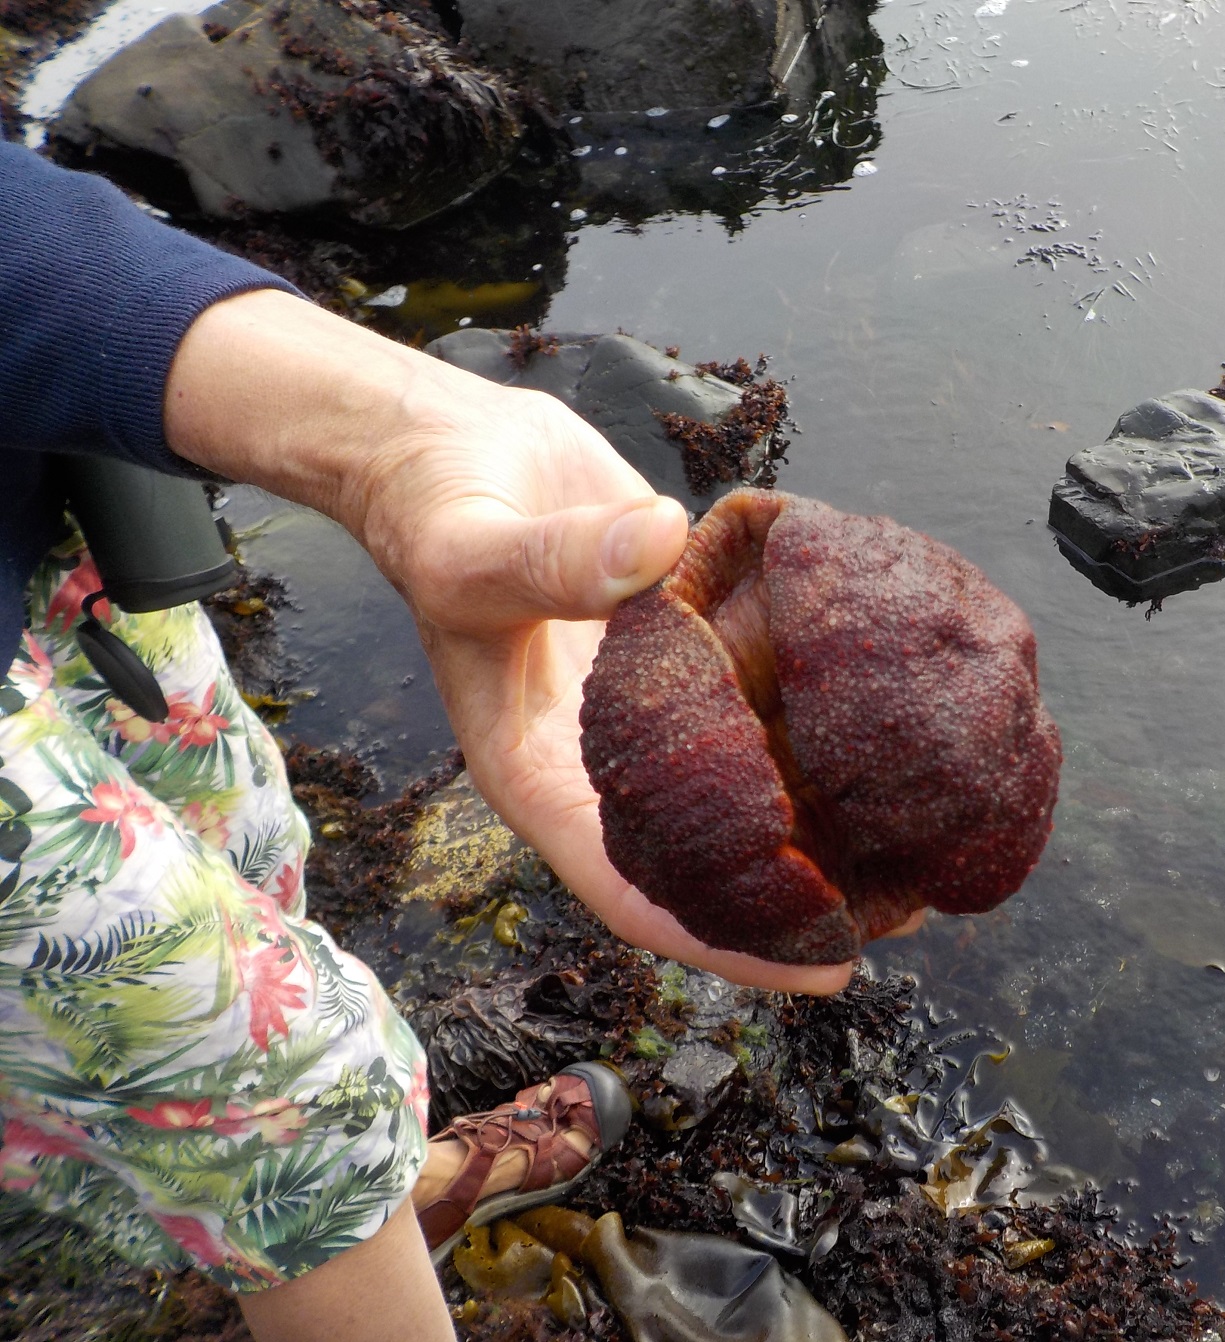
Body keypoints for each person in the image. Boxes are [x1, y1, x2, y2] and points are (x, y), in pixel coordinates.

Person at [0, 141, 856, 1341]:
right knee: (280, 1068)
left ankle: (308, 1205)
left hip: (43, 563)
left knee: (243, 846)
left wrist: (396, 428)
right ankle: (313, 1195)